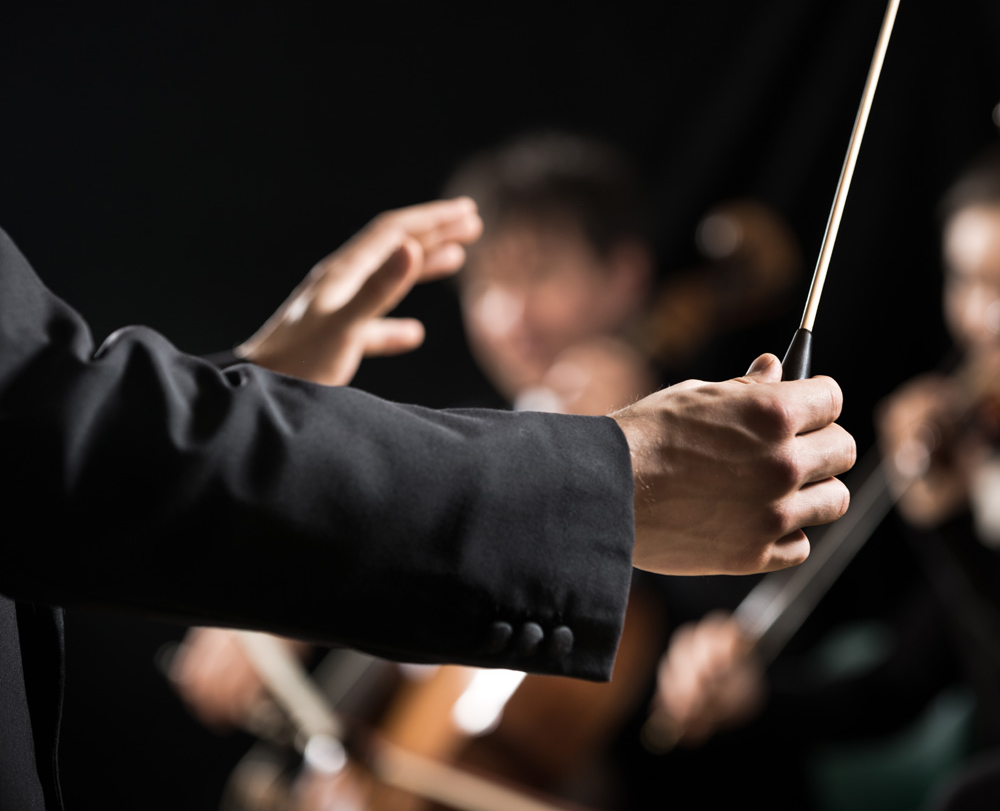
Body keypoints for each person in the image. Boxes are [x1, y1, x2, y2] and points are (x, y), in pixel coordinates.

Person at [0, 188, 854, 810]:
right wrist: (270, 606)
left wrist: (254, 399)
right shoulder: (505, 433)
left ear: (624, 277)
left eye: (542, 272)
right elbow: (53, 436)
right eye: (489, 286)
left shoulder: (703, 447)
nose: (512, 314)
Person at [644, 144, 1000, 811]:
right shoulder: (976, 448)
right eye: (969, 282)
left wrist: (950, 528)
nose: (986, 321)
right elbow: (904, 685)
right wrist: (756, 699)